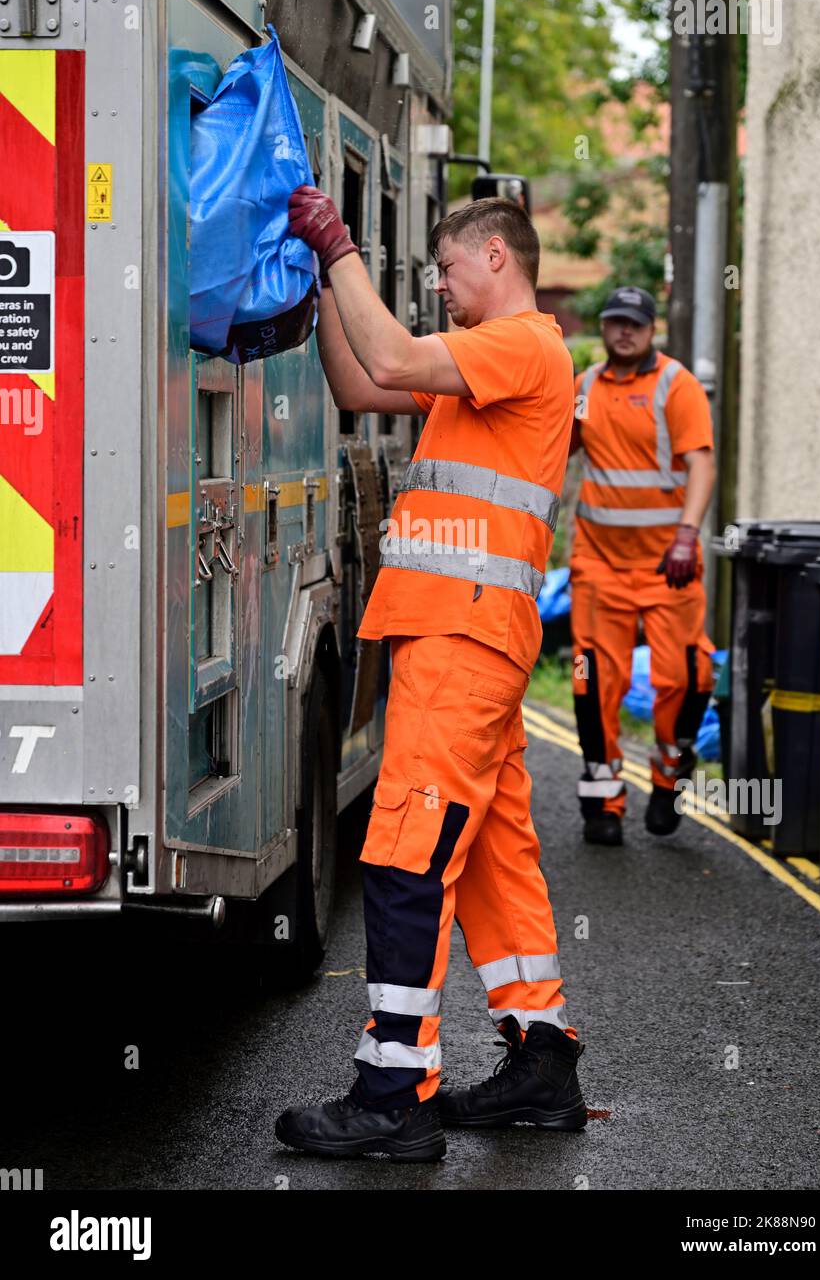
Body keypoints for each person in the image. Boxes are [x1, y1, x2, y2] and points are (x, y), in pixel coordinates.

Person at [273, 189, 587, 1162]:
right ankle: (540, 1061)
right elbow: (368, 383)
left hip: (457, 644)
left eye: (446, 270)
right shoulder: (484, 369)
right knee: (495, 864)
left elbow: (395, 355)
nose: (439, 287)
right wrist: (325, 291)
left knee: (406, 855)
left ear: (496, 257)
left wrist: (337, 246)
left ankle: (392, 1092)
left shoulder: (519, 346)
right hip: (470, 644)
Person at [568, 286, 716, 847]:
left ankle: (669, 775)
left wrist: (686, 535)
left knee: (683, 679)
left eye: (634, 324)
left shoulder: (677, 386)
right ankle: (601, 799)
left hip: (667, 565)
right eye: (613, 323)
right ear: (603, 329)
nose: (623, 332)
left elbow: (701, 465)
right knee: (593, 683)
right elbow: (556, 449)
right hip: (598, 564)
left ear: (651, 330)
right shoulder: (584, 387)